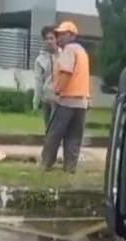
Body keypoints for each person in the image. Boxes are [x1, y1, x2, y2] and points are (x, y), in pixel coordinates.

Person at [41, 21, 90, 173]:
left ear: (71, 35)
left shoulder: (69, 50)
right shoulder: (82, 51)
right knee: (74, 137)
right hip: (81, 103)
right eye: (58, 34)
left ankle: (46, 164)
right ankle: (70, 168)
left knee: (54, 134)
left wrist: (57, 91)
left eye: (63, 34)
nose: (59, 37)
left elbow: (66, 73)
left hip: (67, 100)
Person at [33, 26, 59, 128]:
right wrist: (36, 101)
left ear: (56, 39)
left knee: (55, 129)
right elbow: (38, 80)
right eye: (46, 39)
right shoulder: (40, 60)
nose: (49, 41)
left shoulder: (63, 55)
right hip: (46, 98)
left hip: (58, 99)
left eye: (51, 38)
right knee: (48, 128)